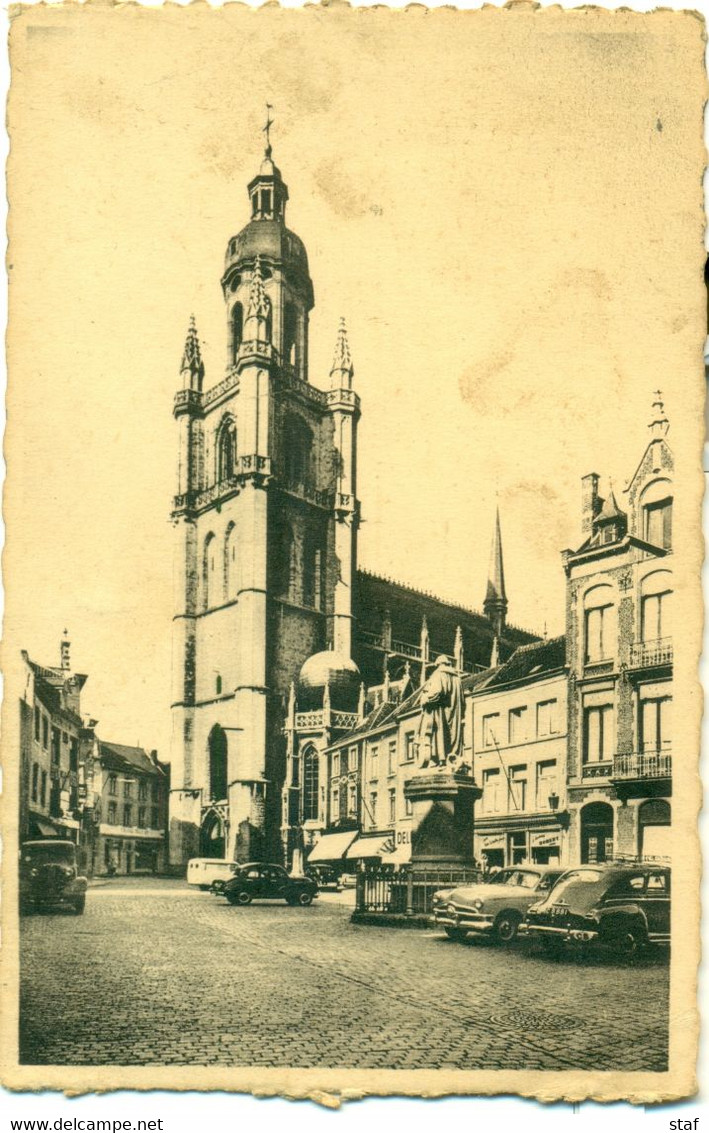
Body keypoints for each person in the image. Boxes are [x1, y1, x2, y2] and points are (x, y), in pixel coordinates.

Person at [415, 654, 462, 769]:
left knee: (439, 734)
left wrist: (425, 699)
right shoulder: (457, 678)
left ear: (438, 664)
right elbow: (462, 700)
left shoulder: (438, 674)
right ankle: (451, 759)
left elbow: (436, 692)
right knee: (452, 736)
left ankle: (441, 759)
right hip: (455, 714)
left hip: (440, 712)